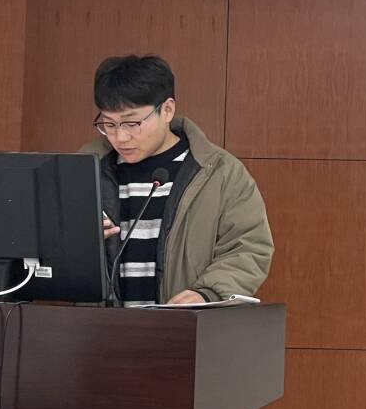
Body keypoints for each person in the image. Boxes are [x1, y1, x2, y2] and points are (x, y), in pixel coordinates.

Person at [82, 54, 273, 304]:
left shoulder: (219, 172)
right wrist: (78, 242)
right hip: (96, 324)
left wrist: (207, 293)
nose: (120, 137)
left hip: (181, 324)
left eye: (132, 123)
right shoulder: (84, 171)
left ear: (167, 110)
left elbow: (248, 247)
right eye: (109, 124)